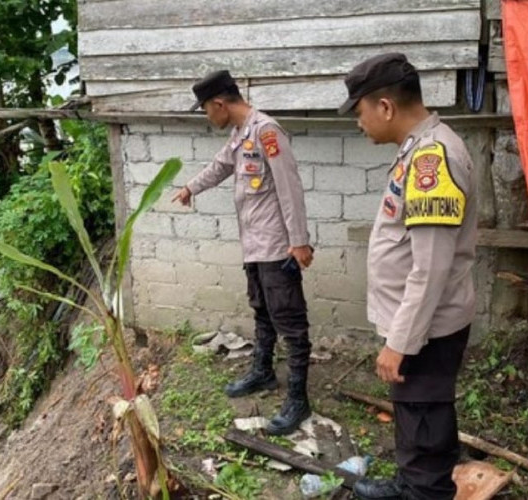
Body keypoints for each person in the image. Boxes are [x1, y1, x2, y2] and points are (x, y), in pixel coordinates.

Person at [337, 53, 477, 500]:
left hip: (425, 331)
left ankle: (423, 491)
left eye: (360, 112)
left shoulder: (432, 157)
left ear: (385, 107)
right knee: (416, 416)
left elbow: (431, 267)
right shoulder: (418, 148)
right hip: (419, 326)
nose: (360, 123)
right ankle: (409, 482)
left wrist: (399, 342)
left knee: (424, 421)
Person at [172, 70, 314, 435]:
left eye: (206, 109)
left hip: (276, 247)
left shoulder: (267, 132)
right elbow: (220, 167)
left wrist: (299, 240)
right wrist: (190, 188)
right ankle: (263, 372)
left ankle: (298, 399)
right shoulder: (240, 135)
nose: (207, 117)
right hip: (254, 245)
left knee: (291, 323)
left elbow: (290, 188)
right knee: (262, 311)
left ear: (220, 103)